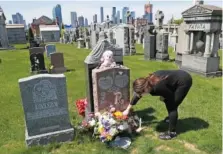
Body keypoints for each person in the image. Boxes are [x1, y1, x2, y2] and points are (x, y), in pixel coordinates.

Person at [123, 70, 192, 140]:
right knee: (170, 103)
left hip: (184, 81)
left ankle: (172, 133)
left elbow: (170, 95)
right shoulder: (146, 83)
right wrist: (127, 109)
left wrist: (164, 97)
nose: (140, 95)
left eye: (141, 93)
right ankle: (171, 119)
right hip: (175, 79)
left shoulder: (158, 87)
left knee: (172, 106)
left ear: (145, 89)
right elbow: (137, 96)